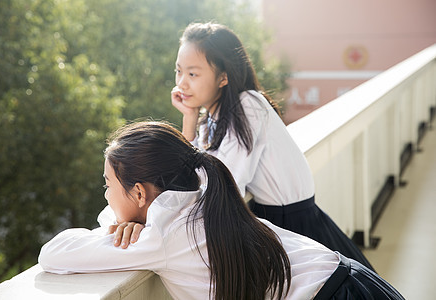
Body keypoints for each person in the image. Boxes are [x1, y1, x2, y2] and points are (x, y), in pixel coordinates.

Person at [38, 121, 404, 300]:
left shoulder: (160, 235)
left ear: (138, 192)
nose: (104, 194)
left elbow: (53, 254)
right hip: (352, 281)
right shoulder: (201, 192)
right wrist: (127, 219)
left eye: (107, 184)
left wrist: (115, 229)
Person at [169, 22, 375, 270]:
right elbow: (197, 178)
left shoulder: (248, 107)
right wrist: (189, 119)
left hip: (293, 224)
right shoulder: (213, 118)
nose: (182, 83)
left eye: (192, 74)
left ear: (224, 76)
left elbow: (221, 182)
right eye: (178, 71)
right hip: (272, 219)